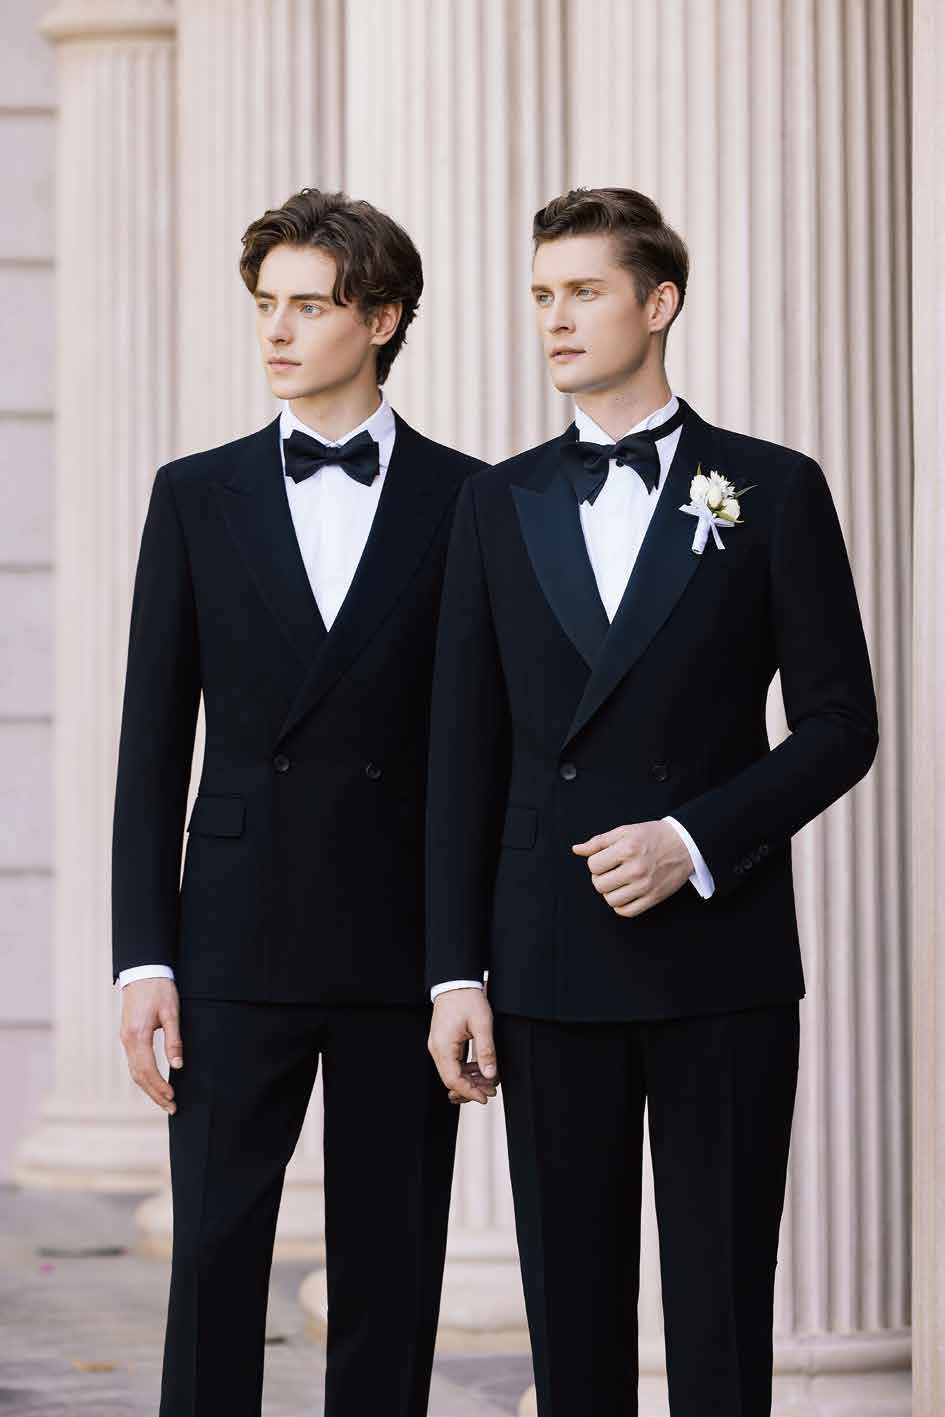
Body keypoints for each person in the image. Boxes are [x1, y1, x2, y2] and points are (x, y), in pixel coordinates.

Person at [426, 186, 878, 1416]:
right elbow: (462, 755)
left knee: (722, 1317)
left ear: (659, 301)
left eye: (584, 290)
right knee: (572, 1322)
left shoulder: (773, 488)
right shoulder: (495, 501)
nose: (556, 318)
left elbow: (842, 725)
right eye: (541, 294)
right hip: (546, 956)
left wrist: (693, 838)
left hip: (721, 959)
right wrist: (454, 973)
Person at [112, 187, 484, 1417]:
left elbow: (477, 749)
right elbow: (151, 745)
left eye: (310, 306)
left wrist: (463, 964)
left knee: (392, 1269)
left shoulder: (471, 500)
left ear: (380, 319)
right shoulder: (193, 492)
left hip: (400, 940)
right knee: (215, 1264)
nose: (276, 330)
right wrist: (142, 957)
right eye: (266, 304)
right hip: (231, 934)